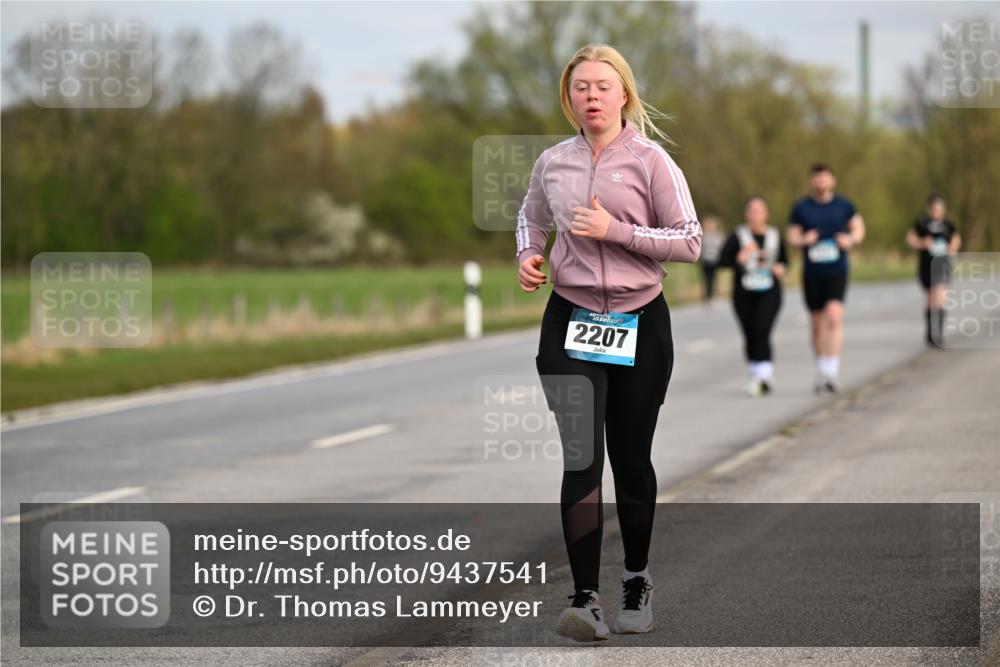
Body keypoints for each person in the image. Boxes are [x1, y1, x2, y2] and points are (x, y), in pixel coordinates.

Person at [515, 43, 702, 641]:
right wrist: (527, 253)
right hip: (570, 318)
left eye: (601, 86)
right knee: (582, 457)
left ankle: (637, 579)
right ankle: (585, 598)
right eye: (579, 88)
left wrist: (613, 230)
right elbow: (530, 216)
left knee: (630, 456)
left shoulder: (652, 162)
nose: (590, 96)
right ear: (568, 98)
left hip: (640, 320)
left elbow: (689, 242)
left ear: (624, 93)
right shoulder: (553, 163)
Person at [787, 163, 865, 394]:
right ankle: (822, 368)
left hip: (837, 270)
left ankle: (832, 371)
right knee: (816, 324)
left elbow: (859, 228)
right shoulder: (801, 207)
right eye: (817, 179)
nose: (821, 182)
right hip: (812, 273)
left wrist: (850, 240)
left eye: (825, 178)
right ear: (812, 182)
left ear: (833, 181)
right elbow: (792, 236)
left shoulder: (844, 205)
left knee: (834, 317)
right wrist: (804, 240)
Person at [718, 196, 788, 396]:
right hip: (744, 293)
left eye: (759, 210)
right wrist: (738, 259)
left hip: (770, 292)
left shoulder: (774, 235)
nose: (755, 215)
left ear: (766, 214)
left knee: (761, 329)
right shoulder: (738, 235)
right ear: (746, 214)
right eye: (752, 210)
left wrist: (781, 268)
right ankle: (754, 375)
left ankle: (764, 376)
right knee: (749, 333)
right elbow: (723, 261)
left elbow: (784, 260)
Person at [905, 193, 961, 346]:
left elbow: (956, 240)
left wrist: (951, 249)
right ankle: (930, 333)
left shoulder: (949, 225)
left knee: (940, 297)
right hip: (926, 265)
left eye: (939, 208)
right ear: (929, 209)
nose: (936, 211)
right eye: (934, 208)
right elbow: (910, 239)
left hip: (942, 265)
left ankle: (939, 335)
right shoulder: (922, 224)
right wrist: (922, 242)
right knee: (930, 300)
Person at [698, 216, 725, 303]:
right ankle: (707, 296)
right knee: (706, 278)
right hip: (705, 261)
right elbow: (699, 248)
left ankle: (714, 295)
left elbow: (722, 247)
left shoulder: (718, 236)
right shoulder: (702, 235)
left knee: (714, 278)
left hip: (715, 261)